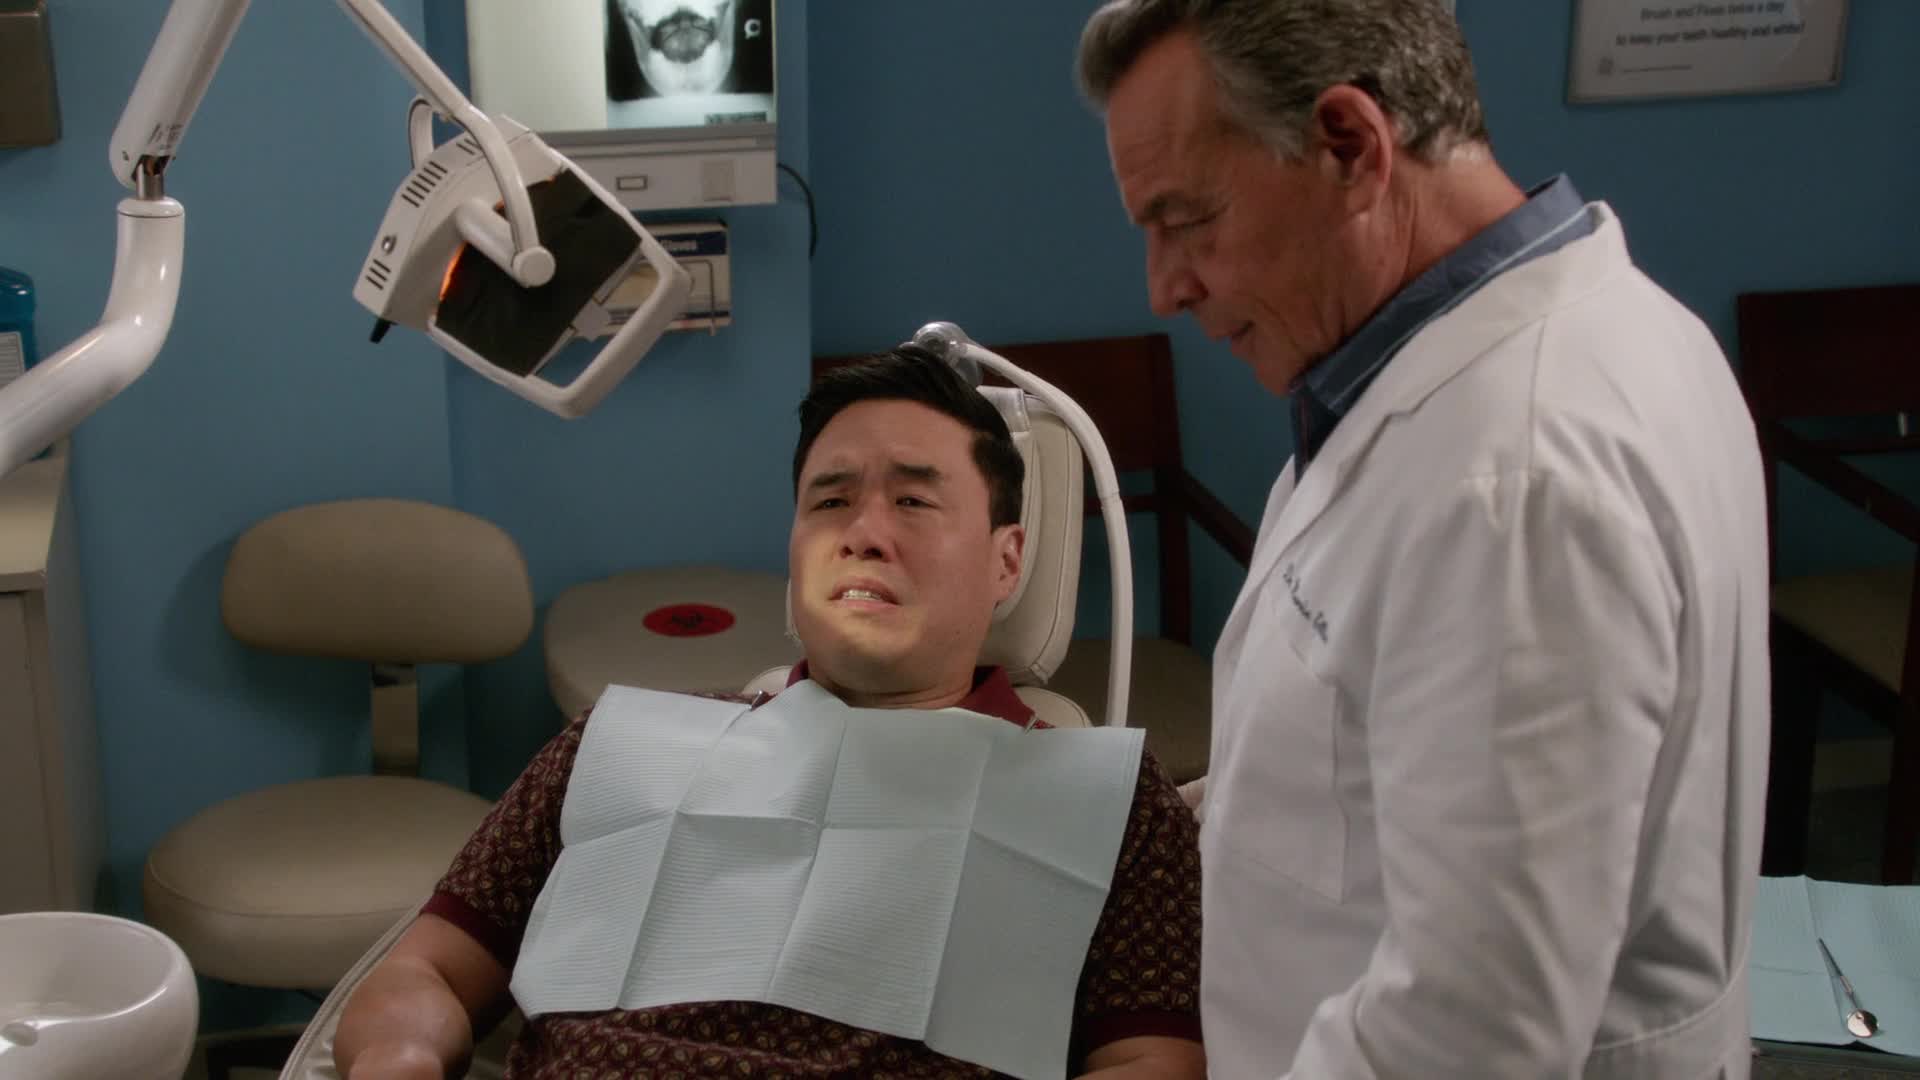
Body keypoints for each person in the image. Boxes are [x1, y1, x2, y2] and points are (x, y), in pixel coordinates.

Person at [1076, 1, 1769, 1076]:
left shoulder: (1517, 478)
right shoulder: (1437, 371)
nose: (1165, 287)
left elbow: (1470, 1033)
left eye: (1187, 218)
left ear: (1351, 146)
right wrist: (1141, 830)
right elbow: (1360, 766)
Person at [333, 347, 1207, 1078]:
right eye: (830, 500)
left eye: (913, 500)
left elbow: (1151, 1061)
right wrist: (400, 1053)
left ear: (1006, 561)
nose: (863, 532)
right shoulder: (618, 745)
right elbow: (426, 970)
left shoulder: (1106, 807)